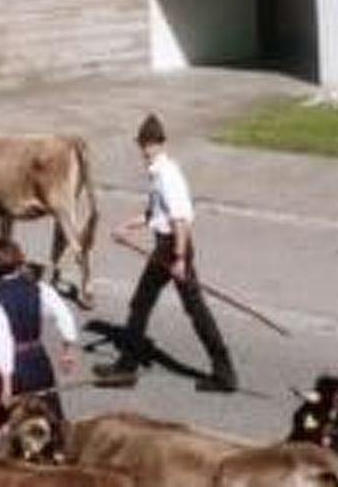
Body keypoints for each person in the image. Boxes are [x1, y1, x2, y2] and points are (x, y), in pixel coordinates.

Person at [94, 112, 239, 393]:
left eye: (148, 145)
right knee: (146, 304)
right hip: (168, 245)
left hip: (173, 246)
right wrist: (126, 227)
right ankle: (128, 366)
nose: (144, 150)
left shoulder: (166, 175)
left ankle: (222, 373)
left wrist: (180, 259)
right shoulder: (158, 173)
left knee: (186, 308)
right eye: (143, 145)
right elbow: (154, 214)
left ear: (157, 143)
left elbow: (180, 220)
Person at [0, 236, 80, 438]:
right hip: (39, 360)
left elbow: (2, 341)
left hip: (16, 368)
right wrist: (68, 350)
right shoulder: (39, 288)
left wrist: (6, 383)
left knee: (7, 425)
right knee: (47, 414)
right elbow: (64, 315)